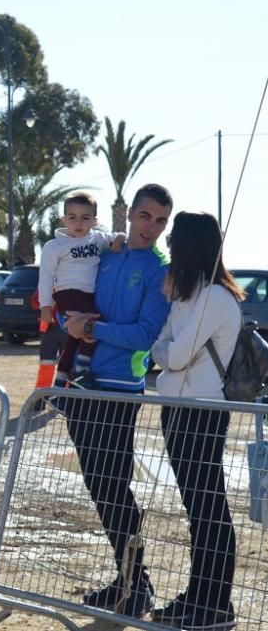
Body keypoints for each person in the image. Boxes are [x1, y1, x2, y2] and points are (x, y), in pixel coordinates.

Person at [61, 183, 173, 619]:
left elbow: (145, 334)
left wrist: (90, 331)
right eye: (145, 217)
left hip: (120, 390)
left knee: (114, 487)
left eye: (161, 220)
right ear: (129, 215)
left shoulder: (159, 269)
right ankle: (127, 579)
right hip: (83, 387)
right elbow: (69, 253)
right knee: (99, 485)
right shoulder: (106, 252)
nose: (152, 228)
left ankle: (136, 583)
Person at [149, 212, 241, 631]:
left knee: (208, 507)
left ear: (191, 245)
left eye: (174, 241)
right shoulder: (188, 295)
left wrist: (167, 354)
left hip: (202, 412)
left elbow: (173, 353)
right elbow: (160, 345)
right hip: (177, 408)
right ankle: (199, 594)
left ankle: (216, 604)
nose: (168, 248)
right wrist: (167, 353)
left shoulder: (216, 299)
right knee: (197, 508)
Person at [37, 192, 125, 386]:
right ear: (64, 220)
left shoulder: (98, 238)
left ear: (94, 221)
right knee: (95, 324)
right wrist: (45, 306)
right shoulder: (54, 246)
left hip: (88, 297)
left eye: (85, 218)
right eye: (72, 217)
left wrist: (118, 240)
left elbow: (117, 236)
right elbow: (45, 277)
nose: (78, 223)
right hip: (67, 294)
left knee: (75, 337)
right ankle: (82, 367)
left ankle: (61, 378)